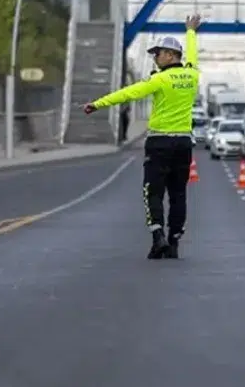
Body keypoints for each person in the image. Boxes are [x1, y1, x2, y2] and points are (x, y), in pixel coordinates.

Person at [84, 15, 202, 259]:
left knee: (153, 192)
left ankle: (158, 237)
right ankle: (174, 242)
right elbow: (192, 55)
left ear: (170, 55)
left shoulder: (159, 79)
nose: (155, 58)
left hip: (159, 142)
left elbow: (129, 93)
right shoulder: (192, 75)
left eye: (158, 54)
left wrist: (97, 104)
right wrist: (191, 31)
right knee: (178, 194)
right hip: (183, 143)